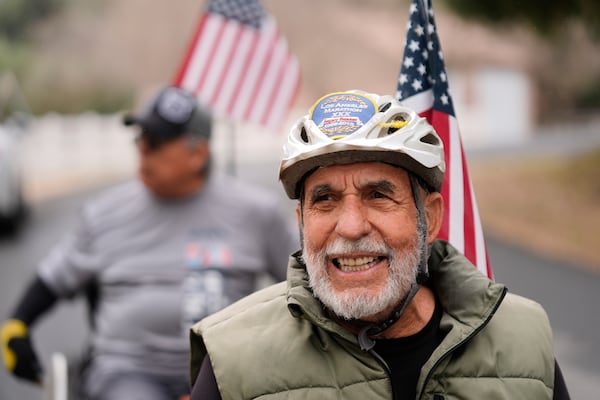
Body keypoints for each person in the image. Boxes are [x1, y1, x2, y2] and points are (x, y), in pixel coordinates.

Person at [187, 90, 571, 399]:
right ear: (302, 223)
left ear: (430, 218)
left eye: (378, 195)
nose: (352, 227)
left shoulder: (523, 340)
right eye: (325, 199)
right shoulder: (233, 357)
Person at [0, 86, 299, 400]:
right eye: (139, 138)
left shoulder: (255, 213)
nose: (142, 149)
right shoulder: (105, 214)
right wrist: (17, 325)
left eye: (154, 142)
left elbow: (303, 283)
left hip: (226, 368)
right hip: (127, 373)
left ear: (198, 153)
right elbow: (53, 279)